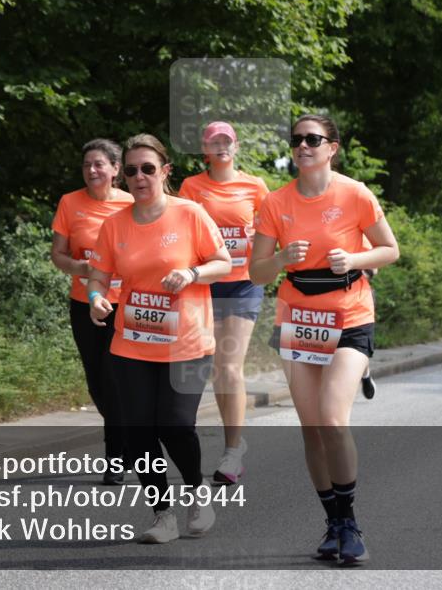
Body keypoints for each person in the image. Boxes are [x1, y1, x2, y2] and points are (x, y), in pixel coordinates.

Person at [249, 114, 399, 565]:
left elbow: (390, 250)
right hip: (299, 318)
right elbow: (255, 272)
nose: (303, 146)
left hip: (350, 314)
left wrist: (353, 256)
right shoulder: (276, 203)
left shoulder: (354, 193)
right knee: (312, 428)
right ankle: (331, 521)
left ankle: (350, 522)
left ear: (332, 146)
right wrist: (279, 257)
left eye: (313, 139)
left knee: (333, 419)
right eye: (296, 140)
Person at [87, 133, 232, 544]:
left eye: (148, 168)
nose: (138, 176)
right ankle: (163, 514)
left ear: (165, 172)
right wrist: (98, 298)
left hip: (186, 341)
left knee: (174, 424)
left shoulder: (190, 214)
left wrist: (191, 274)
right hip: (131, 340)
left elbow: (223, 262)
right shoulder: (114, 225)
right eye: (131, 170)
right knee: (138, 431)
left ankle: (196, 490)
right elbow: (99, 276)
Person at [179, 121, 269, 485]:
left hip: (243, 284)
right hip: (203, 285)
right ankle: (229, 442)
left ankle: (232, 451)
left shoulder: (255, 186)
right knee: (212, 368)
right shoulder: (192, 187)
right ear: (204, 150)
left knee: (229, 367)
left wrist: (261, 243)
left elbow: (272, 230)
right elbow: (180, 233)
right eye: (213, 142)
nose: (221, 147)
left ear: (236, 146)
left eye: (226, 141)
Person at [51, 139, 134, 484]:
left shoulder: (132, 203)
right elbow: (58, 255)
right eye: (87, 164)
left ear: (116, 169)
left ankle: (116, 458)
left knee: (116, 380)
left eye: (99, 164)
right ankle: (127, 431)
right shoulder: (70, 203)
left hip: (126, 302)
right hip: (84, 302)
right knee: (97, 382)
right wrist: (80, 267)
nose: (92, 170)